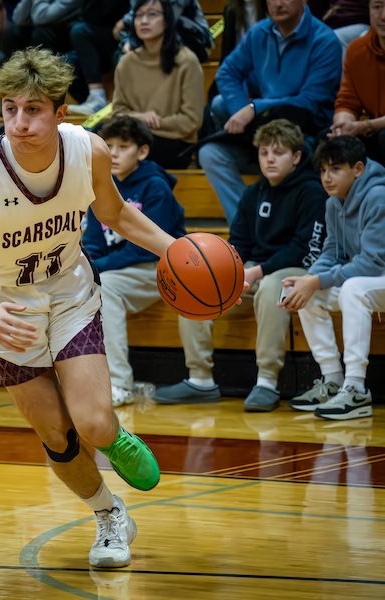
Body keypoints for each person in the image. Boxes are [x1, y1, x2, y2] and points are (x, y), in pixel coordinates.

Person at [0, 47, 182, 569]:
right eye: (10, 108)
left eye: (34, 109)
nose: (19, 122)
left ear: (62, 112)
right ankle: (109, 515)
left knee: (94, 423)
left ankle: (112, 435)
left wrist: (178, 250)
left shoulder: (89, 151)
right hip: (4, 313)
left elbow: (117, 216)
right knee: (58, 438)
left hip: (69, 293)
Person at [154, 119, 327, 411]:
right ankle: (200, 379)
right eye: (264, 153)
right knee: (195, 288)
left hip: (299, 270)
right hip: (255, 269)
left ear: (296, 157)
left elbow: (302, 248)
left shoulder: (311, 192)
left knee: (273, 287)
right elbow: (240, 242)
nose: (269, 159)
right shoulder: (253, 193)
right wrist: (229, 268)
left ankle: (267, 381)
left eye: (278, 152)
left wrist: (257, 271)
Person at [198, 0, 342, 224]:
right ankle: (245, 229)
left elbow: (309, 101)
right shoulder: (259, 31)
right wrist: (241, 111)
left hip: (303, 133)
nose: (277, 3)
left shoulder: (325, 40)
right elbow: (227, 73)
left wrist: (255, 108)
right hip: (262, 128)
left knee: (285, 143)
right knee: (210, 152)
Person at [82, 115, 185, 407]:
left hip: (162, 269)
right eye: (109, 145)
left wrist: (99, 270)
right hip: (122, 270)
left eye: (123, 146)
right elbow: (92, 242)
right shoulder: (103, 186)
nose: (113, 153)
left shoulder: (156, 187)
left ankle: (119, 384)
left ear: (142, 152)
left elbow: (147, 250)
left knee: (107, 287)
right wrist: (89, 267)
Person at [283, 136, 385, 420]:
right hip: (376, 278)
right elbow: (331, 253)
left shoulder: (378, 196)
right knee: (308, 292)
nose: (327, 178)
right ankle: (332, 380)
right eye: (323, 170)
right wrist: (308, 280)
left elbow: (373, 262)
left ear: (359, 169)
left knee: (352, 288)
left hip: (376, 274)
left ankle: (356, 388)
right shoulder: (333, 203)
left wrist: (317, 281)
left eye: (336, 169)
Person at [111, 0, 204, 169]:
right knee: (94, 140)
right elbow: (118, 112)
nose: (144, 21)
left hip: (174, 142)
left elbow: (192, 120)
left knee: (128, 152)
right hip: (134, 137)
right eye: (139, 16)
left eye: (152, 14)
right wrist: (140, 118)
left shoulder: (187, 61)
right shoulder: (126, 62)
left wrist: (155, 123)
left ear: (167, 20)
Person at [327, 0, 385, 166]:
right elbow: (347, 100)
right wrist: (343, 124)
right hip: (371, 129)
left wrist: (365, 126)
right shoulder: (357, 50)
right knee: (329, 137)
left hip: (376, 130)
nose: (383, 16)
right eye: (377, 7)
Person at [66, 0, 130, 116]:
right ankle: (94, 100)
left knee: (79, 31)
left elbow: (142, 8)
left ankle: (98, 98)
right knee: (66, 62)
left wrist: (126, 20)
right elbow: (90, 15)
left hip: (124, 37)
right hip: (99, 38)